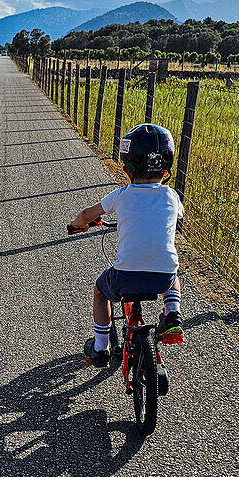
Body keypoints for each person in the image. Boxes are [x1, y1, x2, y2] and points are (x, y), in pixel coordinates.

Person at [69, 123, 184, 368]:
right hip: (161, 278)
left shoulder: (121, 195)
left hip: (125, 276)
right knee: (172, 268)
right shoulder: (172, 196)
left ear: (126, 169)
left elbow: (87, 214)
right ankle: (172, 312)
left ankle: (100, 348)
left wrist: (78, 224)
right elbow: (177, 216)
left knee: (100, 292)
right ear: (166, 171)